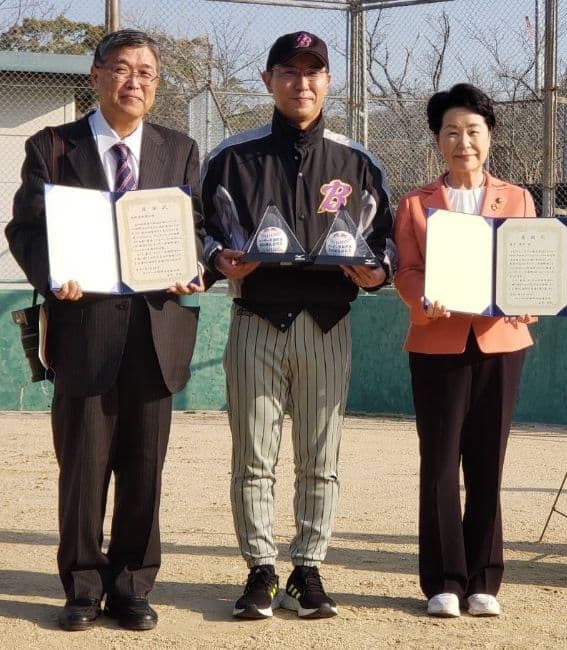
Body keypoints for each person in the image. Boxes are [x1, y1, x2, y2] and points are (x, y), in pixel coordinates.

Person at [5, 29, 205, 632]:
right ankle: (82, 589)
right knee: (83, 468)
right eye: (121, 69)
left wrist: (192, 268)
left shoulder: (181, 150)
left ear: (157, 83)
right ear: (95, 76)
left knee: (145, 469)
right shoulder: (52, 147)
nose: (134, 81)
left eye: (146, 72)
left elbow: (198, 227)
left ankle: (133, 587)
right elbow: (25, 231)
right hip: (82, 327)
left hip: (155, 330)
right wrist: (52, 276)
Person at [200, 31, 394, 621]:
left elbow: (384, 244)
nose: (301, 82)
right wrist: (216, 259)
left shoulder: (357, 162)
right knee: (254, 456)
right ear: (268, 81)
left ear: (329, 82)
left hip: (329, 321)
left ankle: (307, 568)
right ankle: (260, 569)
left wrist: (375, 274)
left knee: (320, 456)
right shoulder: (233, 157)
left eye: (314, 71)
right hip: (256, 318)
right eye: (289, 71)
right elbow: (199, 229)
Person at [394, 83, 536, 618]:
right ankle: (443, 581)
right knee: (438, 463)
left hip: (501, 344)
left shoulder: (518, 198)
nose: (463, 141)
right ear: (437, 140)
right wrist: (420, 300)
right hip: (436, 342)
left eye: (473, 131)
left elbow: (529, 264)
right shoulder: (414, 204)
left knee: (487, 463)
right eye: (451, 131)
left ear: (490, 138)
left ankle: (483, 578)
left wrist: (528, 301)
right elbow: (407, 271)